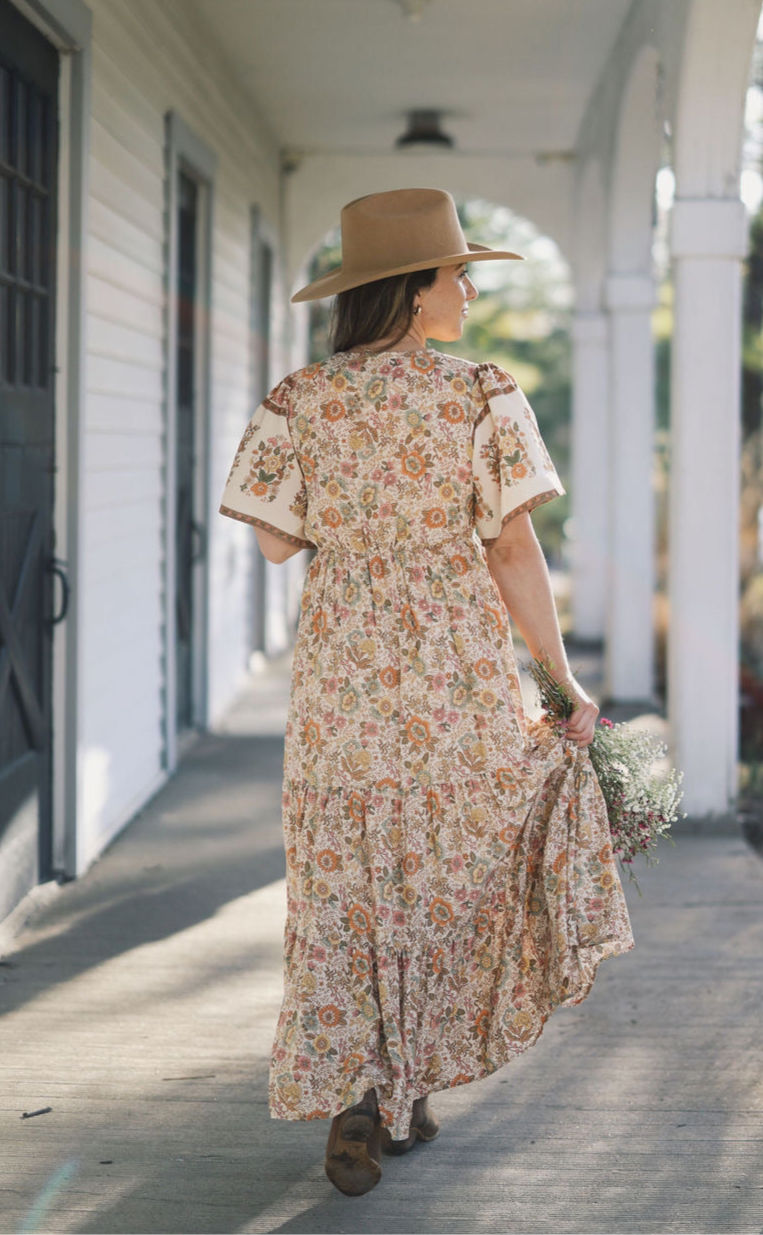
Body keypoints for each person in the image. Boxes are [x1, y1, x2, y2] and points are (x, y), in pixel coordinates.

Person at [218, 188, 634, 1197]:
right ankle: (404, 1086)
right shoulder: (480, 393)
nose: (469, 290)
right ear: (412, 289)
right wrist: (562, 681)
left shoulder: (298, 398)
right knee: (448, 867)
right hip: (454, 670)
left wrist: (357, 514)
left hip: (341, 679)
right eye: (458, 274)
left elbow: (272, 542)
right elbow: (512, 549)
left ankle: (367, 1094)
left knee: (346, 876)